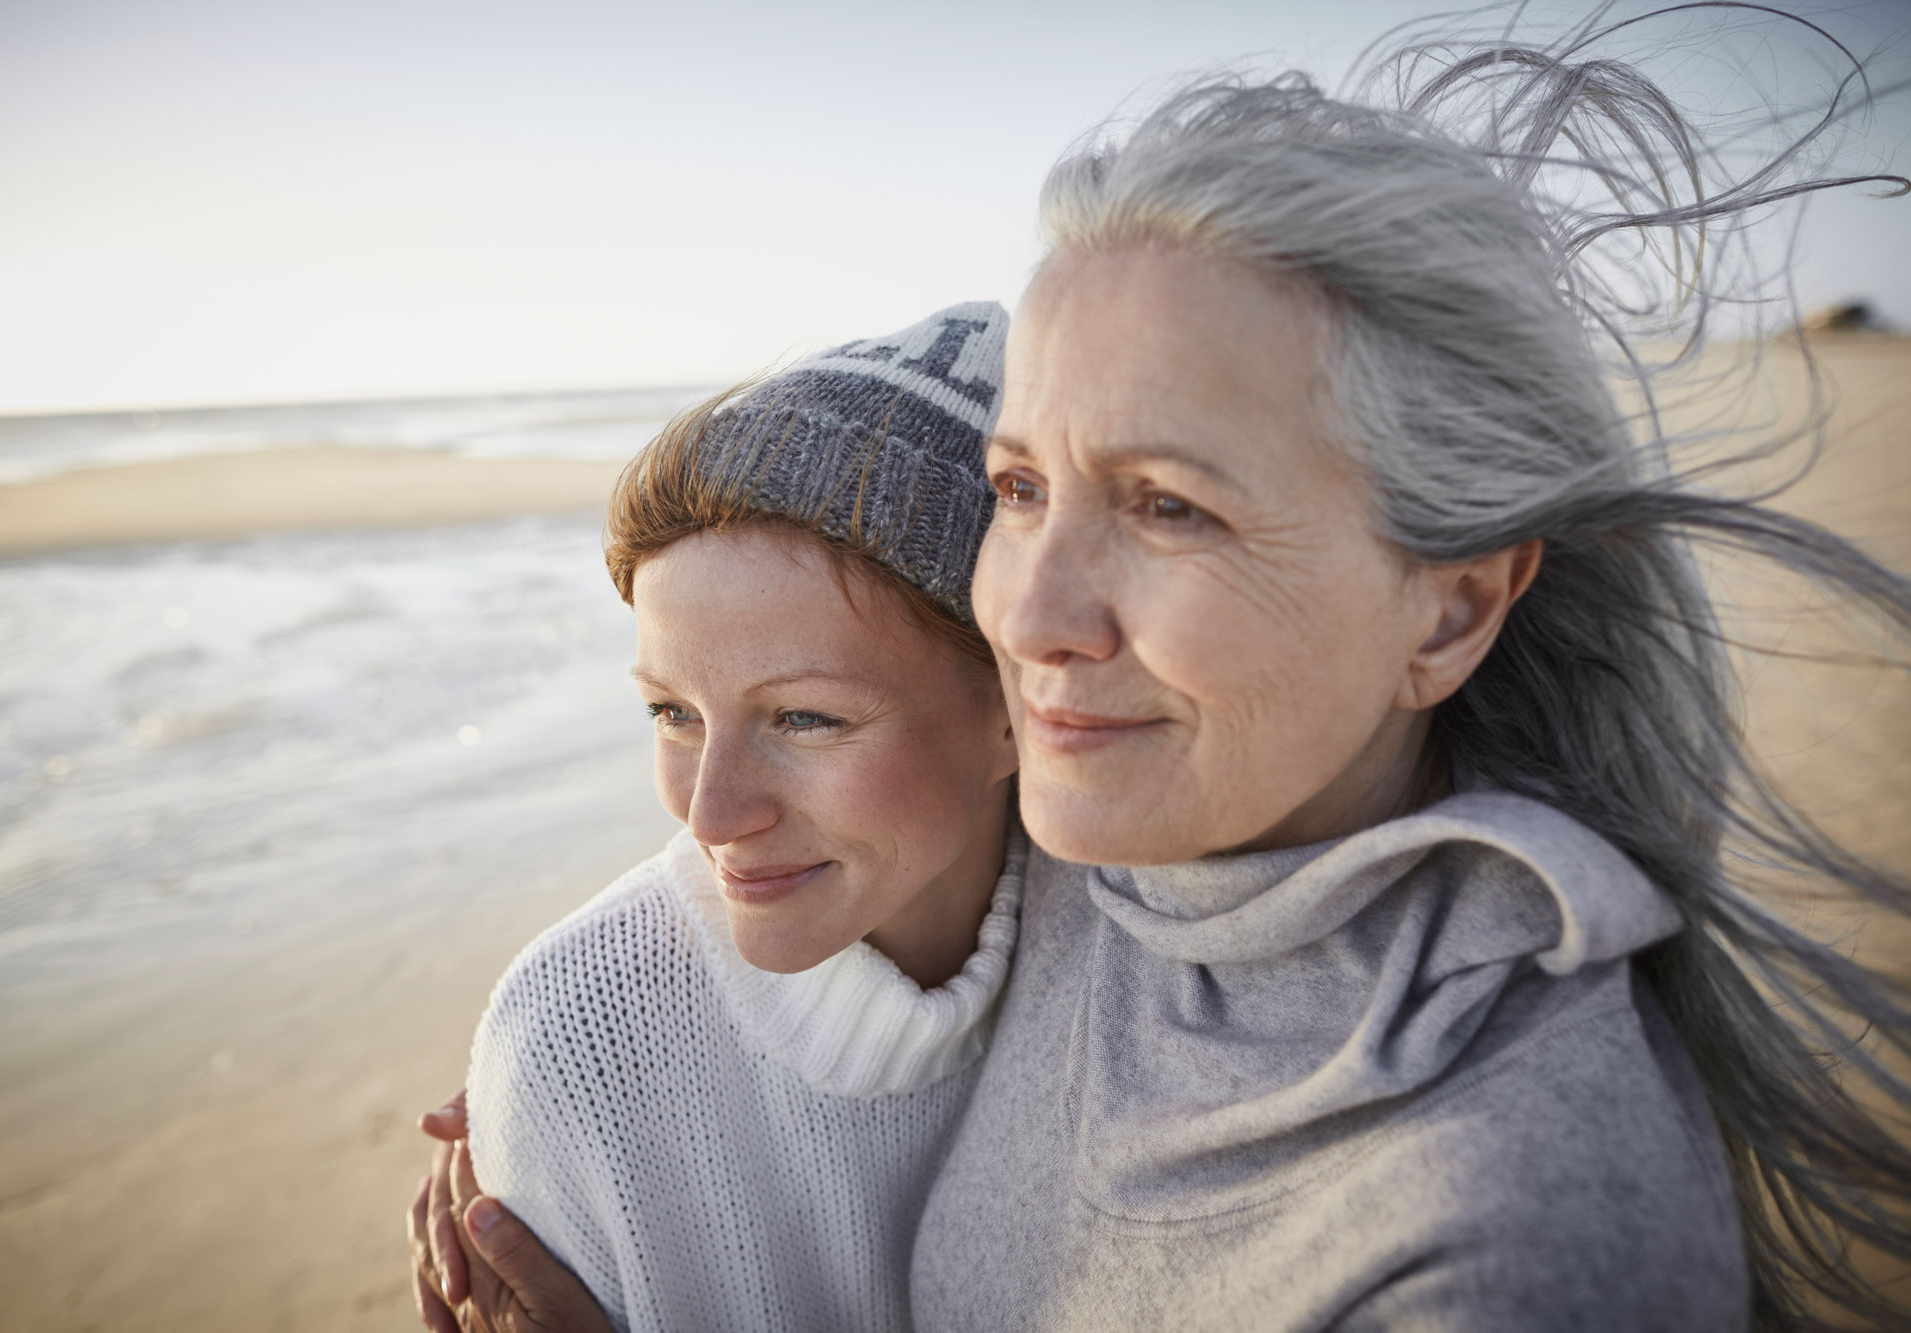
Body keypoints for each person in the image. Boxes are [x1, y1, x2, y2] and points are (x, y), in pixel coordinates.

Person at [906, 13, 1911, 1332]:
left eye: (1167, 507)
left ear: (1451, 612)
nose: (1030, 614)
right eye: (1020, 485)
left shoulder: (1510, 1236)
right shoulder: (1071, 842)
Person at [408, 303, 1026, 1332]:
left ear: (1020, 711)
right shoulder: (578, 1041)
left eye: (804, 717)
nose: (711, 812)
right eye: (672, 712)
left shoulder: (1150, 952)